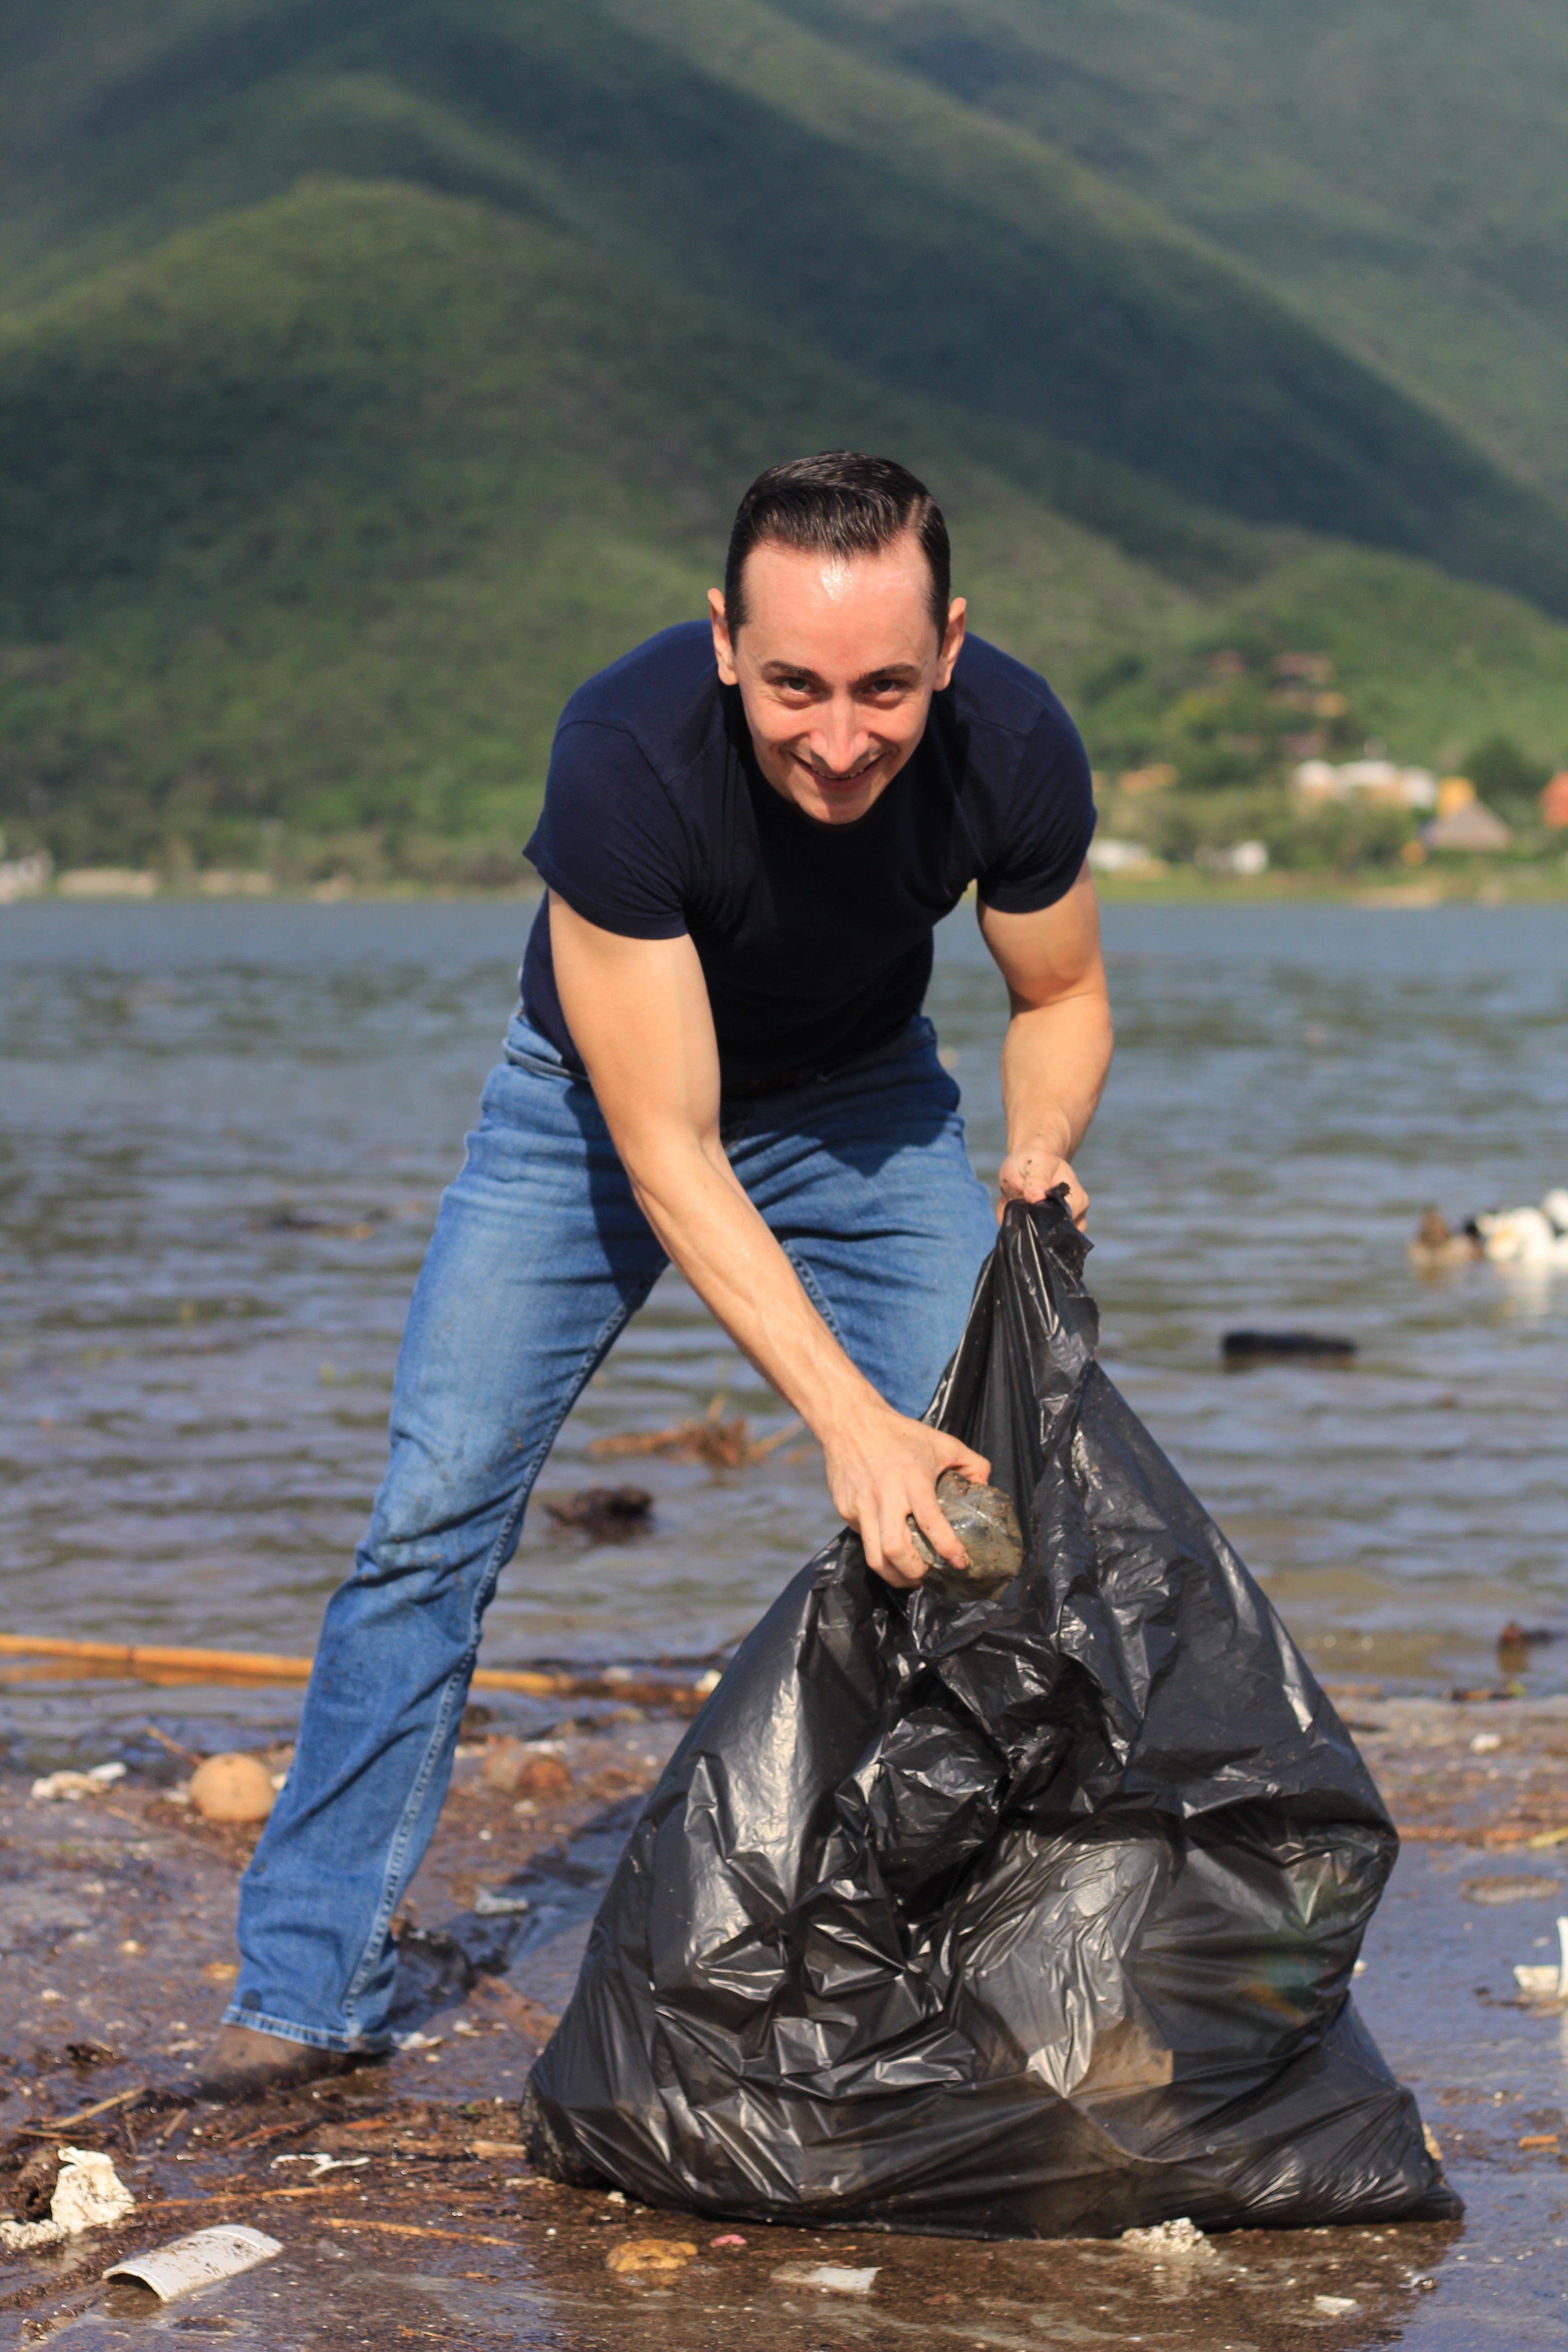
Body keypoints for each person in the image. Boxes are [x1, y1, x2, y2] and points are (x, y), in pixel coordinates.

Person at [199, 451, 1113, 2096]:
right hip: (594, 1123)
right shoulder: (625, 759)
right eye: (796, 687)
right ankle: (301, 1995)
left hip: (863, 1106)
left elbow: (1059, 994)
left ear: (952, 648)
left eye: (887, 689)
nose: (841, 738)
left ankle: (991, 1956)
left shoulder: (1019, 745)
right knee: (431, 1522)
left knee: (996, 1515)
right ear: (723, 644)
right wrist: (841, 1419)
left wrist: (1037, 1143)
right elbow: (669, 1148)